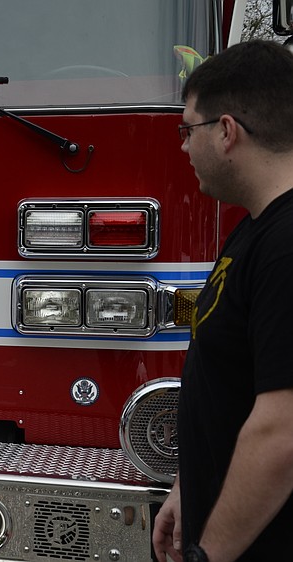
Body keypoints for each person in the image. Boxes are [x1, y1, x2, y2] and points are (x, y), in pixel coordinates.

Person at [152, 40, 293, 562]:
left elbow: (282, 432)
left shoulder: (286, 245)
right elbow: (226, 376)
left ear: (227, 131)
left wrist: (211, 553)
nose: (184, 146)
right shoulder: (253, 231)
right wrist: (190, 487)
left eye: (188, 130)